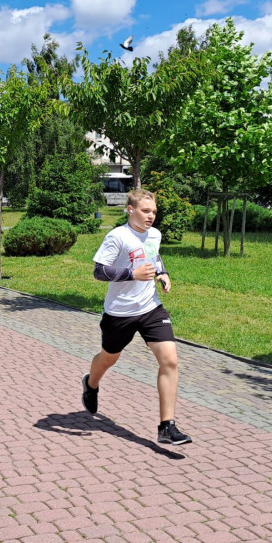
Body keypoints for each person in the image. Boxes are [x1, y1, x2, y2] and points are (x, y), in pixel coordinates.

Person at [81, 188, 192, 446]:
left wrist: (161, 273)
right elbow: (99, 272)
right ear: (130, 209)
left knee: (170, 361)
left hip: (150, 308)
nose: (151, 216)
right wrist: (132, 274)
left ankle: (167, 426)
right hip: (119, 312)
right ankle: (91, 383)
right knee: (109, 358)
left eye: (154, 211)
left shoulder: (155, 234)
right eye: (145, 211)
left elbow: (154, 255)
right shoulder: (117, 236)